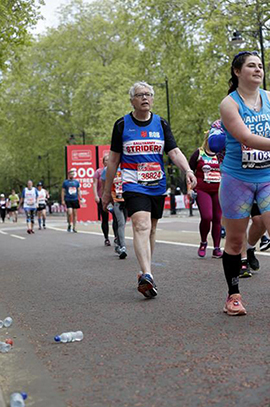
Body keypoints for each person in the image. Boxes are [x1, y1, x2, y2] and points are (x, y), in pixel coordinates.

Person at [102, 81, 196, 298]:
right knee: (141, 225)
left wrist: (188, 170)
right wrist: (107, 191)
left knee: (152, 229)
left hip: (156, 185)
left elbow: (173, 152)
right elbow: (114, 160)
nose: (145, 98)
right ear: (132, 101)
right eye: (140, 95)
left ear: (153, 99)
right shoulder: (122, 125)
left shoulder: (161, 124)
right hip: (132, 183)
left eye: (149, 94)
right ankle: (147, 274)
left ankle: (145, 273)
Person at [219, 50, 270, 316]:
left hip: (268, 178)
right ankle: (233, 296)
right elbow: (246, 138)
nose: (258, 69)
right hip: (237, 180)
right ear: (238, 72)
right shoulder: (230, 103)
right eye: (251, 65)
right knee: (236, 243)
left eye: (260, 65)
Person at [208, 119, 265, 277]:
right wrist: (237, 131)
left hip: (261, 180)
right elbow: (214, 145)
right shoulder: (219, 124)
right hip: (234, 181)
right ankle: (243, 261)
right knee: (240, 224)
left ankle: (250, 247)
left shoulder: (262, 120)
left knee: (261, 222)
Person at [189, 131, 222, 259]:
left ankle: (217, 248)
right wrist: (189, 188)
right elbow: (189, 170)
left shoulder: (221, 154)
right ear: (208, 139)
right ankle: (203, 242)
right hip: (203, 189)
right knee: (207, 216)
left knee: (217, 219)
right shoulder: (199, 153)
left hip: (219, 190)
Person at [101, 166, 128, 259]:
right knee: (121, 222)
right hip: (116, 200)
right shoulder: (108, 170)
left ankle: (117, 242)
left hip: (127, 199)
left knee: (123, 223)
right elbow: (105, 187)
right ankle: (123, 247)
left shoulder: (127, 167)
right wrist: (106, 201)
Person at [93, 155, 112, 246]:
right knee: (105, 218)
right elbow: (94, 184)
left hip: (114, 197)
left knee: (117, 218)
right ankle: (106, 238)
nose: (108, 161)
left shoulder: (115, 170)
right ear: (103, 162)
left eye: (109, 160)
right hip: (102, 197)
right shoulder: (99, 172)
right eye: (106, 160)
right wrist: (96, 195)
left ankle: (117, 237)